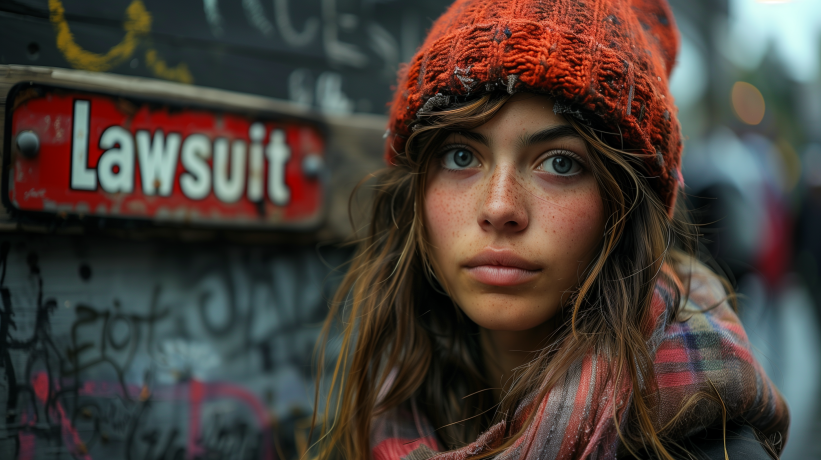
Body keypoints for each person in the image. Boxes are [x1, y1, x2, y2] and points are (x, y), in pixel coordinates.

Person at [312, 0, 790, 458]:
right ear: (414, 190)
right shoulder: (381, 407)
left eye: (559, 163)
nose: (500, 209)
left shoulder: (710, 447)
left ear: (624, 207)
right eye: (460, 156)